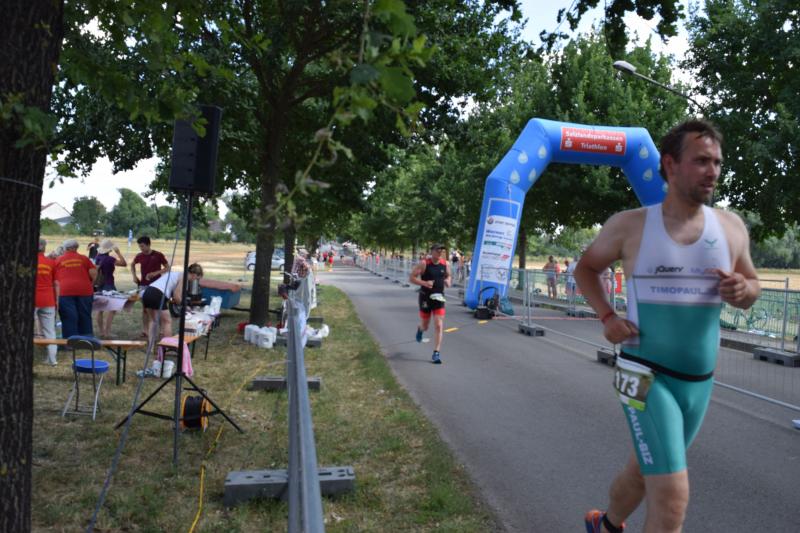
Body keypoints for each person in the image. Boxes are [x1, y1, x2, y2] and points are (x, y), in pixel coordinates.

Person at [575, 119, 761, 533]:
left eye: (717, 162)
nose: (712, 171)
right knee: (673, 497)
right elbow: (586, 269)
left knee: (644, 471)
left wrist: (742, 289)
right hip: (642, 374)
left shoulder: (730, 227)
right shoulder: (631, 225)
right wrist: (607, 316)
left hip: (698, 383)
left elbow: (753, 286)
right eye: (701, 161)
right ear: (670, 165)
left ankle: (604, 524)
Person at [409, 244, 452, 364]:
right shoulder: (424, 264)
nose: (440, 252)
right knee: (425, 325)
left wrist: (448, 281)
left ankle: (436, 353)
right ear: (432, 251)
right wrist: (424, 283)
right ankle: (420, 329)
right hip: (425, 298)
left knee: (438, 324)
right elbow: (411, 278)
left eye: (442, 250)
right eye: (438, 250)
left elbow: (448, 276)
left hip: (439, 298)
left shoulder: (445, 264)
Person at [141, 263, 203, 339]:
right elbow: (176, 296)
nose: (195, 280)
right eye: (197, 278)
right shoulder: (184, 277)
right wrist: (185, 306)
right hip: (157, 294)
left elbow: (173, 295)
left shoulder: (176, 274)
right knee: (167, 321)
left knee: (153, 320)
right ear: (194, 275)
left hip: (147, 292)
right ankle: (168, 344)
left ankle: (151, 345)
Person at [55, 239, 97, 339]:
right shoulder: (84, 259)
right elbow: (94, 274)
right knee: (85, 315)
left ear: (66, 248)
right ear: (76, 247)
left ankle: (70, 340)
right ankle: (87, 339)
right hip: (84, 290)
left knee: (68, 316)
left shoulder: (59, 260)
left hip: (65, 291)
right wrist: (90, 284)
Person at [131, 236, 170, 338]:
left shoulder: (158, 255)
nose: (141, 248)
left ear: (148, 244)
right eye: (139, 246)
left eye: (142, 246)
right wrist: (134, 276)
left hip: (157, 286)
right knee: (145, 309)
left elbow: (167, 268)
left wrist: (156, 273)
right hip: (144, 285)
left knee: (159, 308)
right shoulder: (139, 256)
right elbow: (132, 264)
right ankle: (145, 330)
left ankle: (161, 330)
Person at [93, 239, 128, 338]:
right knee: (112, 308)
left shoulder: (97, 258)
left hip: (99, 285)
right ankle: (107, 332)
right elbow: (124, 263)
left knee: (100, 309)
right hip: (109, 285)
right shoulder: (110, 259)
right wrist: (118, 252)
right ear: (110, 249)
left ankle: (101, 332)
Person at [35, 238, 60, 365]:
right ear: (44, 248)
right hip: (48, 299)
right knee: (50, 331)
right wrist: (57, 301)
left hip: (32, 299)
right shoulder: (51, 263)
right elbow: (56, 283)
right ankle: (52, 360)